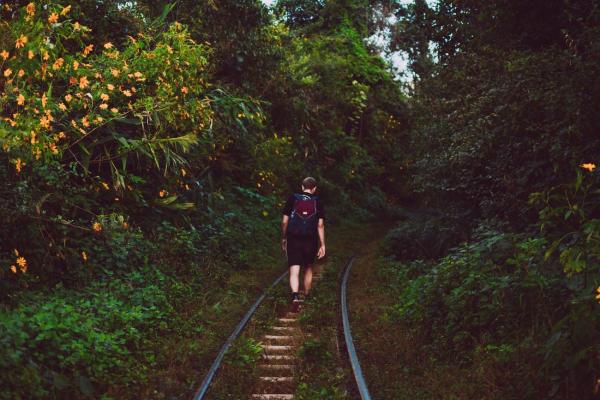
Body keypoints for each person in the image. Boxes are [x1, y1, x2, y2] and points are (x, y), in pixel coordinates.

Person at [281, 177, 326, 312]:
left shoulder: (292, 198)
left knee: (294, 270)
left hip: (293, 237)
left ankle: (295, 296)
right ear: (314, 188)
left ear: (302, 187)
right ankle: (306, 296)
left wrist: (284, 237)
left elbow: (284, 221)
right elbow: (320, 224)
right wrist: (322, 244)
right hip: (310, 239)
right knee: (308, 267)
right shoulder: (318, 202)